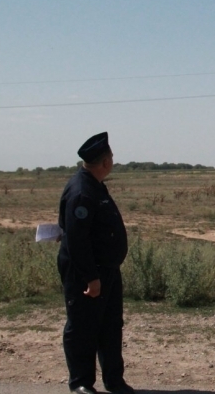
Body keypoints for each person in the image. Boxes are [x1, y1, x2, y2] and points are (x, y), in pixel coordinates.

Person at [57, 132, 135, 394]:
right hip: (87, 274)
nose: (113, 161)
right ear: (105, 162)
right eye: (111, 157)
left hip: (108, 270)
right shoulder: (82, 190)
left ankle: (114, 380)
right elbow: (77, 241)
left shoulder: (94, 185)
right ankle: (80, 383)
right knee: (83, 327)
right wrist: (91, 278)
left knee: (111, 326)